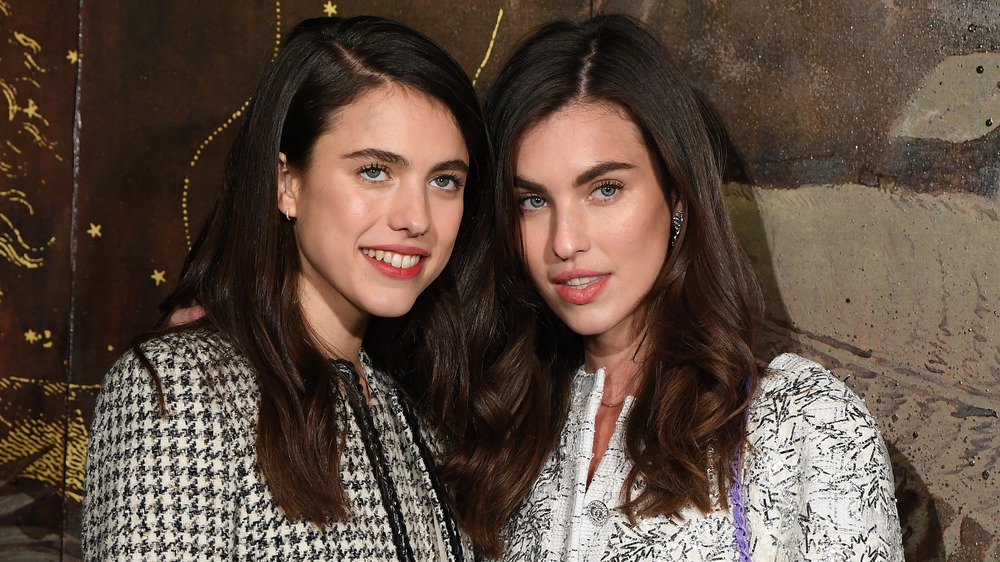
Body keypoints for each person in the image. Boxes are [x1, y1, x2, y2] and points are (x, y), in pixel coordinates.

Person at [451, 14, 904, 560]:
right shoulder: (494, 431)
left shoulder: (803, 423)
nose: (565, 242)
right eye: (533, 200)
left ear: (679, 197)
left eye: (606, 189)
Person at [82, 15, 490, 560]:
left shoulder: (421, 409)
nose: (416, 218)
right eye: (374, 171)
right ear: (286, 183)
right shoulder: (178, 393)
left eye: (445, 181)